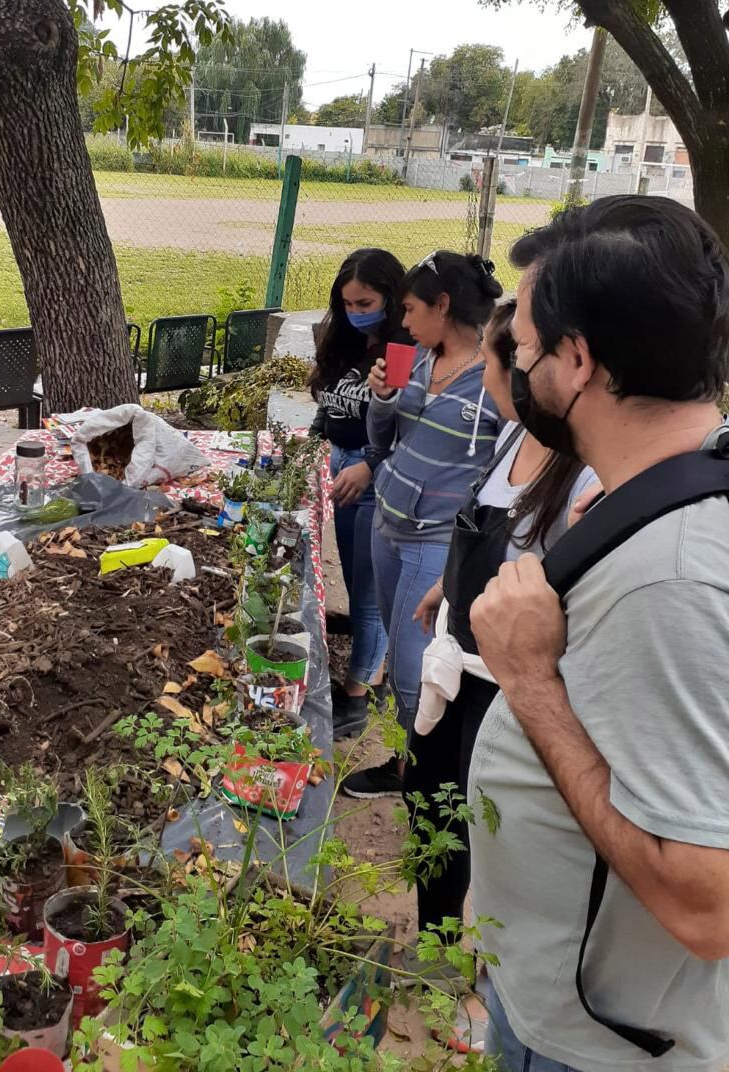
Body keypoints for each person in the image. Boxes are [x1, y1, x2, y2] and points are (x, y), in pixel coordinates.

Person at [468, 196, 729, 1072]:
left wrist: (529, 679)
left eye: (528, 348)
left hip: (595, 1044)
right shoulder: (676, 484)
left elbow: (708, 907)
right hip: (562, 1000)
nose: (519, 367)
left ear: (578, 361)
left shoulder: (673, 576)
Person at [405, 297, 597, 1053]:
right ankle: (438, 956)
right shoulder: (515, 436)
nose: (494, 374)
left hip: (504, 691)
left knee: (487, 838)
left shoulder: (583, 478)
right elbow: (482, 541)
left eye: (505, 359)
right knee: (433, 812)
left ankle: (483, 994)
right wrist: (445, 588)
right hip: (456, 665)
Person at [341, 251, 503, 800]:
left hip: (432, 544)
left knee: (415, 667)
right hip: (385, 526)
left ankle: (425, 779)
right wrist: (383, 398)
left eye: (410, 309)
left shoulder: (494, 383)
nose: (402, 322)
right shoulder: (413, 359)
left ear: (443, 304)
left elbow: (506, 469)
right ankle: (412, 763)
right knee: (399, 651)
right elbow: (383, 443)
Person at [310, 248, 409, 739]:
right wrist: (312, 443)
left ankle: (357, 696)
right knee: (353, 575)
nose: (355, 312)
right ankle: (373, 668)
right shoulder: (346, 341)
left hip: (375, 475)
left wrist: (369, 466)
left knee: (368, 592)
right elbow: (327, 406)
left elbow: (405, 428)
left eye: (365, 302)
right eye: (347, 303)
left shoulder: (402, 351)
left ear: (391, 298)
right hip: (342, 463)